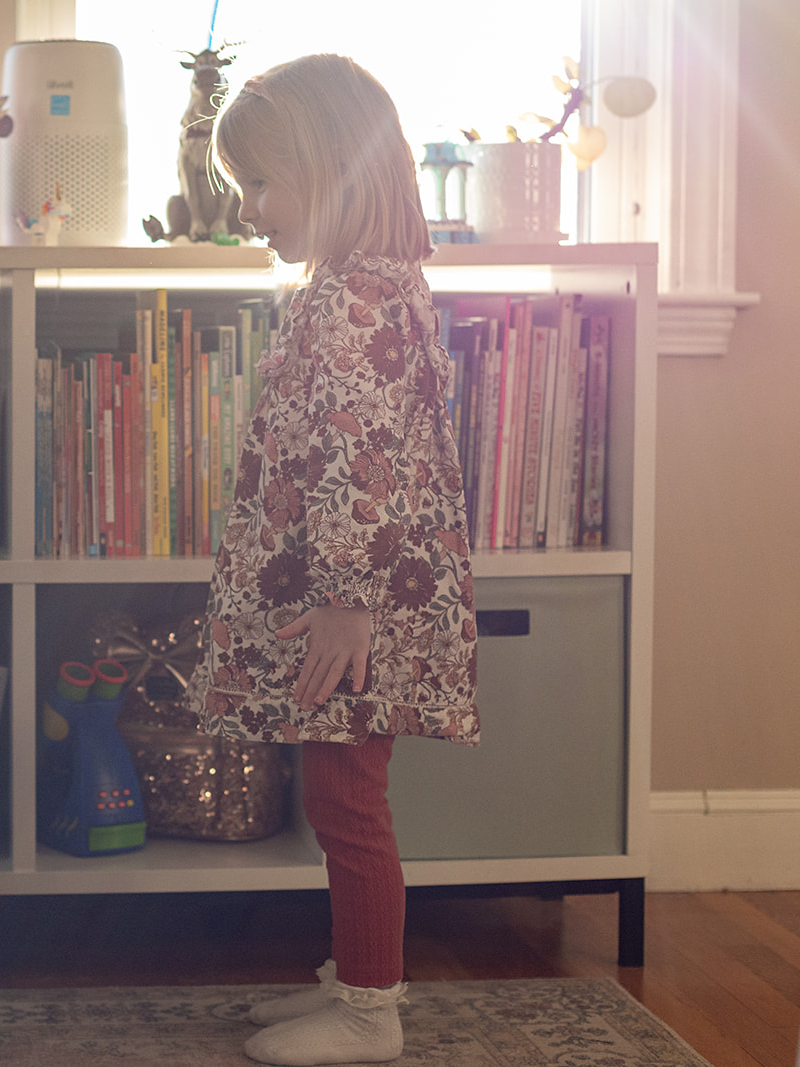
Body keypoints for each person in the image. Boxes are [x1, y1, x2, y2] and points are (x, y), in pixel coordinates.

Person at [189, 54, 479, 1066]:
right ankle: (353, 974)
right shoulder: (362, 287)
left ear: (331, 173)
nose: (251, 211)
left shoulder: (352, 301)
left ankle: (369, 1010)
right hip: (352, 593)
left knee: (346, 801)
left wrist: (350, 597)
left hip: (357, 602)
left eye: (262, 186)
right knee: (339, 793)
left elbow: (363, 456)